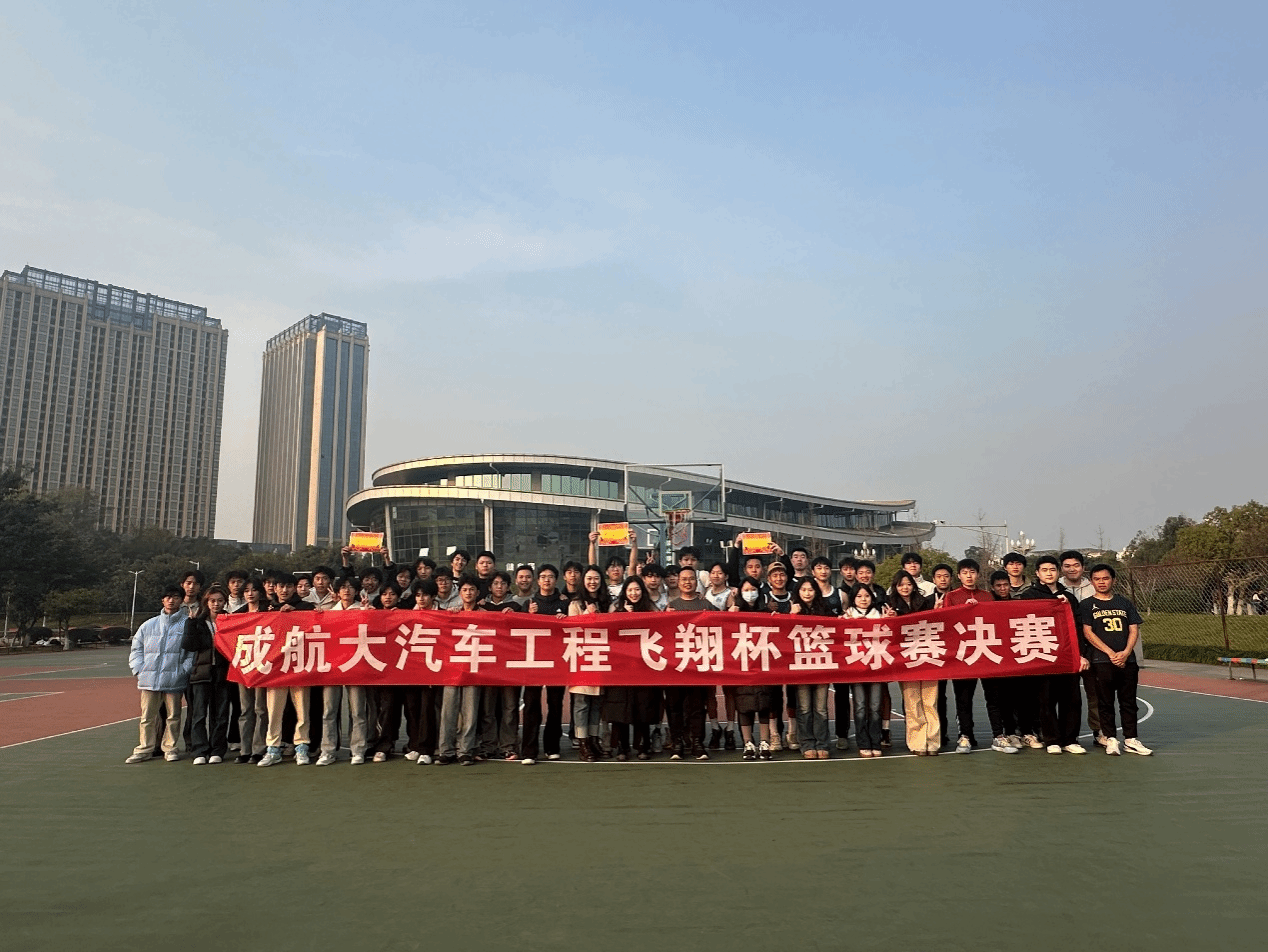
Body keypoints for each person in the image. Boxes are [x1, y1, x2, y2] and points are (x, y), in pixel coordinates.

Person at [1080, 564, 1152, 756]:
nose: (1101, 582)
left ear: (1113, 580)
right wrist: (1110, 653)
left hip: (1127, 661)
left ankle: (1131, 739)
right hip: (1101, 661)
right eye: (1097, 579)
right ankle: (1111, 739)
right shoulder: (1086, 605)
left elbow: (1134, 629)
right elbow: (1088, 632)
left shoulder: (1124, 603)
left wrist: (1126, 652)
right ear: (1091, 582)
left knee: (1128, 702)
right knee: (1105, 702)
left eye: (1105, 578)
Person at [1021, 560, 1089, 754]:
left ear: (1059, 572)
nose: (1049, 573)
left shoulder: (1068, 597)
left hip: (1067, 654)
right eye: (1044, 570)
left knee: (1072, 699)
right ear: (1037, 573)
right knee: (1046, 699)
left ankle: (1070, 739)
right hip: (1043, 655)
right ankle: (1051, 739)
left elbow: (1077, 627)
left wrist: (1081, 654)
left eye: (1052, 569)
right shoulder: (1029, 596)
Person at [125, 587, 193, 764]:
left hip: (174, 679)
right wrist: (139, 669)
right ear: (162, 600)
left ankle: (170, 748)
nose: (171, 600)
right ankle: (144, 748)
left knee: (173, 717)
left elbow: (191, 652)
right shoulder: (149, 625)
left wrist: (183, 671)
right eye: (167, 597)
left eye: (175, 597)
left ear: (181, 600)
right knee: (147, 717)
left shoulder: (188, 624)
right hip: (149, 680)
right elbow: (136, 649)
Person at [258, 573, 314, 767]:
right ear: (274, 588)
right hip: (275, 669)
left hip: (299, 666)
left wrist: (296, 613)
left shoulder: (306, 607)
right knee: (273, 711)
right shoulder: (266, 609)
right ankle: (273, 748)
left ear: (294, 588)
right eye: (280, 586)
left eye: (289, 586)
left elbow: (317, 625)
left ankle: (302, 747)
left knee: (302, 710)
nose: (284, 590)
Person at [605, 576, 663, 760]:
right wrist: (623, 615)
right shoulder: (615, 607)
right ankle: (622, 747)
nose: (634, 593)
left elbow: (660, 628)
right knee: (621, 707)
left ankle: (643, 746)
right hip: (621, 667)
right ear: (625, 592)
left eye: (637, 589)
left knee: (643, 707)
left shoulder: (651, 608)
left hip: (644, 666)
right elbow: (609, 631)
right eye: (630, 590)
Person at [319, 576, 372, 766]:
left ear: (356, 591)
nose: (346, 590)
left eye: (350, 587)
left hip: (356, 665)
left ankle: (358, 750)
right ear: (337, 591)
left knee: (357, 711)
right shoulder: (328, 613)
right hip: (332, 667)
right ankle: (327, 751)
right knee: (329, 711)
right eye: (343, 587)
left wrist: (369, 613)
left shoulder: (364, 610)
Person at [521, 565, 569, 764]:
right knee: (531, 704)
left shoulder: (564, 603)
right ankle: (529, 750)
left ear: (556, 580)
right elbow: (518, 630)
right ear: (538, 581)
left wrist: (565, 620)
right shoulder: (529, 603)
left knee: (555, 704)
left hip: (557, 660)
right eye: (543, 577)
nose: (547, 580)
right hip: (533, 660)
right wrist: (529, 616)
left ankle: (552, 747)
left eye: (550, 576)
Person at [1060, 549, 1109, 745]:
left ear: (1083, 567)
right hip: (1065, 650)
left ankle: (1099, 731)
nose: (1072, 569)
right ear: (1061, 568)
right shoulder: (1055, 589)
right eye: (1067, 566)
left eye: (1076, 565)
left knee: (1095, 692)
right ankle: (1065, 734)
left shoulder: (1094, 588)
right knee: (1066, 695)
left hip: (1092, 648)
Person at [889, 572, 940, 756]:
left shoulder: (925, 602)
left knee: (930, 701)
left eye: (908, 584)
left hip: (927, 656)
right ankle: (917, 742)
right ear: (895, 587)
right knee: (913, 702)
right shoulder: (890, 604)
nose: (905, 588)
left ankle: (933, 741)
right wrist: (890, 618)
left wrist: (937, 611)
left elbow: (936, 623)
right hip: (906, 659)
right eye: (901, 584)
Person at [940, 558, 988, 754]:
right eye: (965, 573)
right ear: (959, 576)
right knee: (963, 697)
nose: (969, 576)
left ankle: (999, 734)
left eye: (972, 572)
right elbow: (947, 621)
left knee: (993, 697)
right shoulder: (951, 596)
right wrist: (963, 610)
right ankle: (965, 735)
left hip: (986, 652)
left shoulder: (987, 596)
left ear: (978, 574)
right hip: (962, 654)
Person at [665, 564, 712, 760]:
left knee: (697, 707)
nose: (687, 582)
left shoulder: (706, 605)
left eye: (691, 579)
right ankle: (677, 743)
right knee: (674, 706)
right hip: (675, 665)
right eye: (683, 579)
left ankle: (697, 742)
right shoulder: (671, 606)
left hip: (697, 665)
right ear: (678, 582)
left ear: (696, 582)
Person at [182, 585, 232, 765]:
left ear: (225, 602)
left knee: (221, 715)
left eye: (220, 601)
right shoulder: (197, 622)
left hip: (223, 674)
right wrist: (190, 624)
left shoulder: (231, 621)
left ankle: (217, 750)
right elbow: (189, 645)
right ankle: (199, 751)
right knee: (199, 715)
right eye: (212, 601)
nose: (216, 604)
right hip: (201, 674)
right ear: (206, 602)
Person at [730, 578, 778, 760]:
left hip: (763, 663)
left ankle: (764, 741)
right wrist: (730, 614)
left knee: (764, 702)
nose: (750, 593)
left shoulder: (766, 612)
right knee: (744, 704)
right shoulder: (734, 612)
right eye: (746, 589)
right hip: (741, 664)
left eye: (753, 589)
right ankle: (748, 743)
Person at [437, 578, 483, 766]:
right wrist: (451, 616)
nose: (468, 593)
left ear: (477, 593)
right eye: (465, 589)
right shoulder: (452, 614)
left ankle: (465, 751)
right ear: (460, 593)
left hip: (474, 669)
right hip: (452, 669)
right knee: (448, 712)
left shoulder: (486, 615)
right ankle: (446, 750)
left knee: (470, 713)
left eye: (472, 589)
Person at [567, 566, 610, 762]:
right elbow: (571, 628)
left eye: (596, 578)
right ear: (583, 581)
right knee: (582, 702)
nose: (593, 582)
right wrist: (588, 614)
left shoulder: (607, 602)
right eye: (589, 578)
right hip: (582, 657)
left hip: (602, 657)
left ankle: (593, 739)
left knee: (597, 702)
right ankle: (582, 741)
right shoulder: (575, 603)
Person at [790, 578, 833, 759]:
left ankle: (822, 743)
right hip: (801, 667)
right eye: (803, 589)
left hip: (822, 665)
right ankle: (807, 743)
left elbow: (837, 629)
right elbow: (785, 633)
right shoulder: (793, 609)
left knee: (821, 708)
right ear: (798, 592)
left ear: (816, 591)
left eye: (810, 589)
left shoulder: (825, 609)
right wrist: (792, 615)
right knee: (804, 708)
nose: (807, 593)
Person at [845, 585, 885, 757]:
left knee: (875, 707)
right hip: (856, 668)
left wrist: (890, 619)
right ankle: (863, 742)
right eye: (859, 596)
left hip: (876, 667)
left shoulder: (880, 615)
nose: (863, 599)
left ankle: (876, 741)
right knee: (860, 706)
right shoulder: (847, 616)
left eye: (867, 596)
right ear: (853, 598)